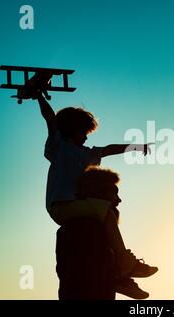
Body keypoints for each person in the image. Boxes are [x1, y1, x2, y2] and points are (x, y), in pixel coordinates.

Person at [36, 94, 158, 287]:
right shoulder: (58, 146)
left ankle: (117, 273)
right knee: (107, 212)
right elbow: (50, 119)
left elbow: (108, 149)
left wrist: (134, 147)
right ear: (71, 130)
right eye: (83, 132)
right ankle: (125, 265)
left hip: (74, 206)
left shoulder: (85, 154)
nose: (85, 137)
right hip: (61, 207)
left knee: (108, 217)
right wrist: (39, 96)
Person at [76, 166, 151, 299]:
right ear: (99, 193)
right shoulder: (86, 227)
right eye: (114, 192)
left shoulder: (97, 226)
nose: (119, 200)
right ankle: (126, 267)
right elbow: (87, 272)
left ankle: (123, 274)